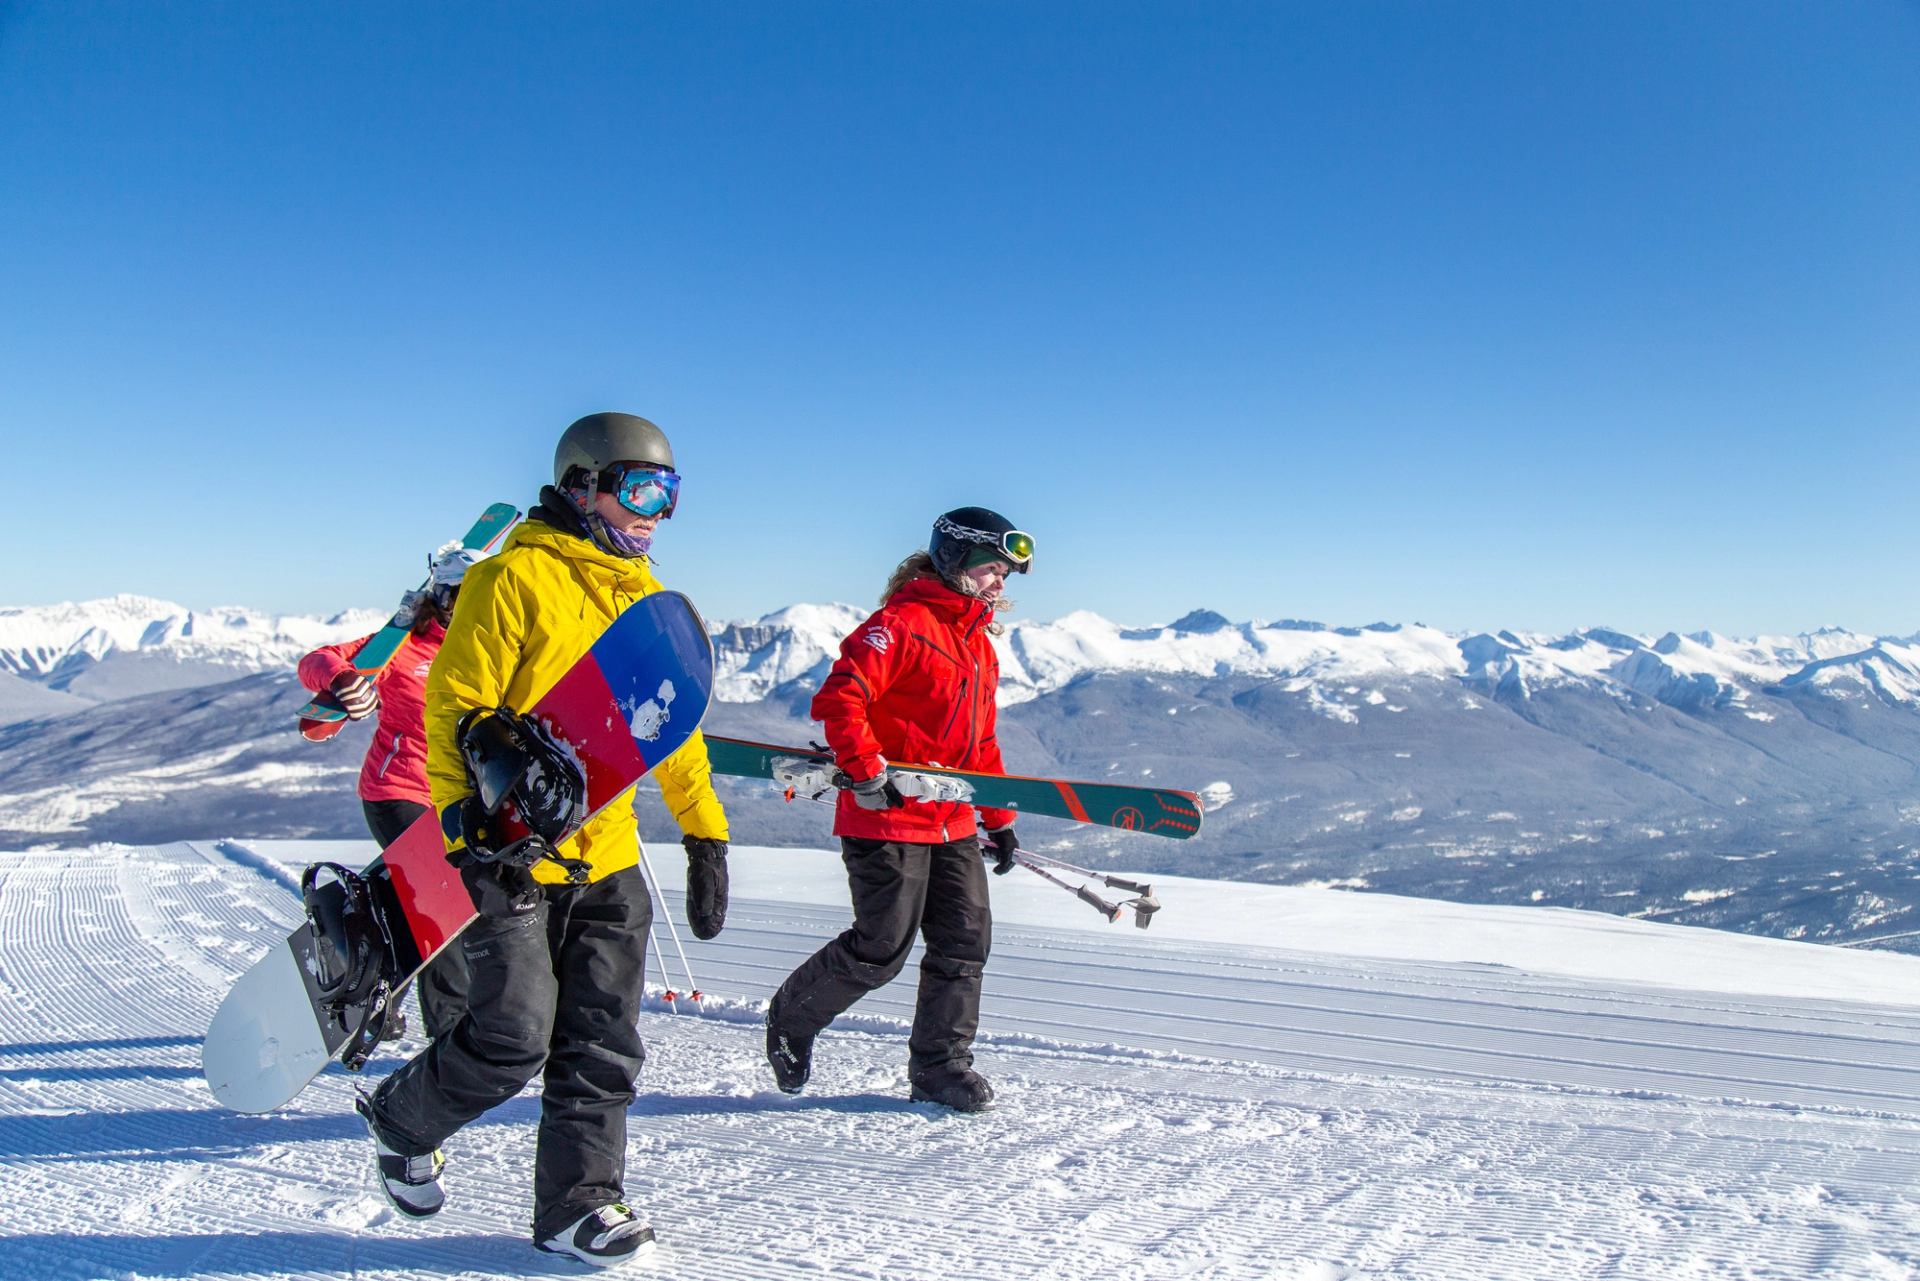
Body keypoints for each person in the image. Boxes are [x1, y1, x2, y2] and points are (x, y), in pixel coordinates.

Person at [353, 412, 732, 1267]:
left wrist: (704, 835)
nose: (654, 513)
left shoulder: (644, 598)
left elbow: (670, 729)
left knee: (603, 1041)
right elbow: (455, 710)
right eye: (640, 489)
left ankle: (578, 1205)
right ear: (581, 484)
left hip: (609, 855)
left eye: (669, 495)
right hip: (513, 851)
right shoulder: (512, 580)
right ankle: (402, 1116)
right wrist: (465, 834)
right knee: (515, 1034)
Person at [764, 506, 1033, 1113]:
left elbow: (980, 743)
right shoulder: (901, 624)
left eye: (1005, 575)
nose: (999, 583)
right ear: (956, 561)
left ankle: (941, 1068)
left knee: (965, 942)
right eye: (991, 569)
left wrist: (1000, 819)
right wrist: (864, 768)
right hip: (885, 812)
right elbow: (841, 699)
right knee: (881, 945)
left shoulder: (979, 644)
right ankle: (791, 1017)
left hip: (951, 818)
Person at [298, 544, 484, 1041]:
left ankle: (368, 990)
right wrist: (342, 681)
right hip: (397, 789)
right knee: (447, 899)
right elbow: (316, 660)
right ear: (438, 597)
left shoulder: (491, 648)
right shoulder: (404, 645)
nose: (465, 607)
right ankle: (450, 1029)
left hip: (455, 797)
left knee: (410, 904)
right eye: (457, 596)